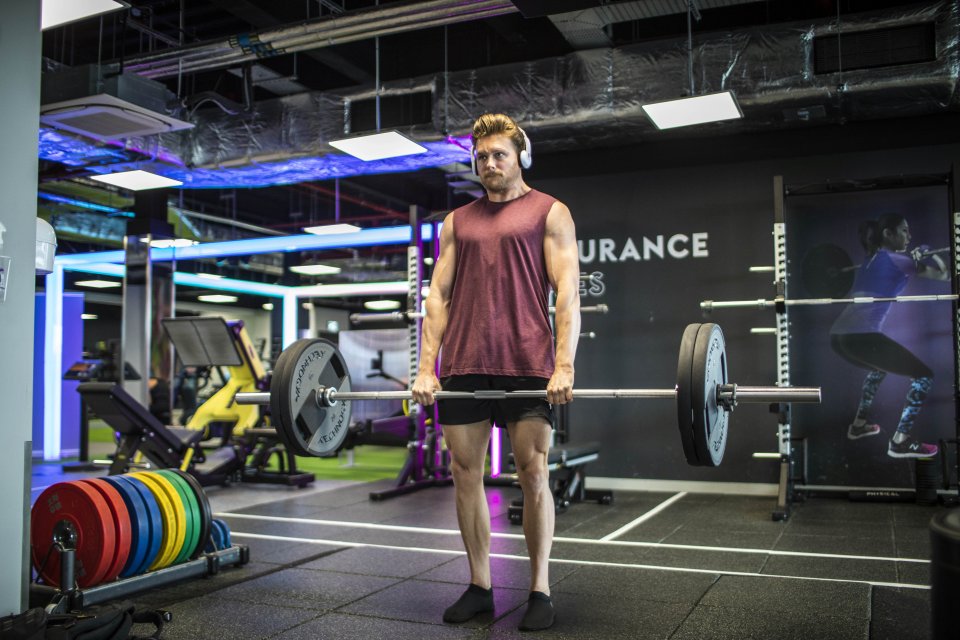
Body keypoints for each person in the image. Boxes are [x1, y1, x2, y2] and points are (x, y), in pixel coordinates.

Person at [411, 113, 580, 631]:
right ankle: (480, 586)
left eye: (498, 154)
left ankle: (540, 590)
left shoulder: (550, 213)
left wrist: (564, 363)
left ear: (521, 156)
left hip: (528, 364)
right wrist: (426, 368)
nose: (488, 164)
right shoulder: (457, 221)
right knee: (466, 474)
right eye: (481, 156)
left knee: (532, 474)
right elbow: (437, 295)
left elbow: (568, 293)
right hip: (463, 364)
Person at [830, 213, 949, 458]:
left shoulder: (869, 260)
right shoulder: (898, 260)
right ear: (888, 234)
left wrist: (915, 257)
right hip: (861, 337)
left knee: (879, 368)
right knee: (924, 376)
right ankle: (900, 442)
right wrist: (930, 254)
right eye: (904, 231)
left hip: (838, 337)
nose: (910, 236)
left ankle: (859, 425)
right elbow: (944, 275)